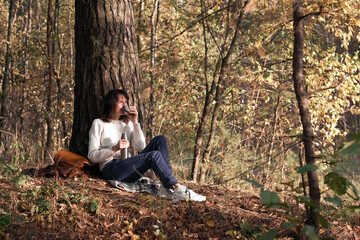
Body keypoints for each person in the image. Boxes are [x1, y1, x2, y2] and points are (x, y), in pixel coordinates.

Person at [88, 89, 206, 202]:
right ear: (111, 103)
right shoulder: (99, 123)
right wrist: (114, 149)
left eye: (126, 102)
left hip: (128, 166)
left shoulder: (127, 124)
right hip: (111, 168)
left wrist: (135, 122)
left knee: (160, 140)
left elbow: (140, 146)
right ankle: (177, 188)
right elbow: (92, 156)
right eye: (120, 102)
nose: (125, 105)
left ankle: (170, 184)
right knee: (153, 156)